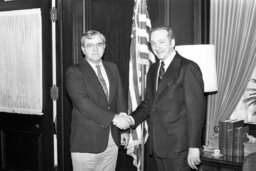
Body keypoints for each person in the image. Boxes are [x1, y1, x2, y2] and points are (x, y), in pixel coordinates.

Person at [124, 26, 206, 170]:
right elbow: (150, 103)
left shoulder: (188, 68)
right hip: (156, 146)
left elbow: (196, 112)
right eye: (153, 43)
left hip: (179, 148)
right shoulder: (153, 69)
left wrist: (194, 146)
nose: (157, 47)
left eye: (161, 42)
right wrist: (131, 119)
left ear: (172, 42)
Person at [65, 30, 132, 171]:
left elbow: (120, 98)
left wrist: (124, 130)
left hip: (112, 140)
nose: (95, 49)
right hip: (86, 142)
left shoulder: (112, 68)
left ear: (104, 47)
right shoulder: (74, 72)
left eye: (99, 44)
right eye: (90, 45)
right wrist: (114, 118)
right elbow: (82, 103)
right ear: (83, 49)